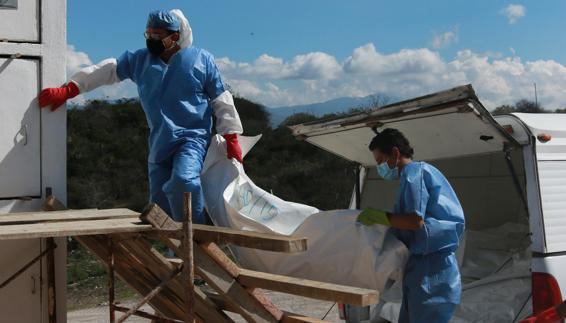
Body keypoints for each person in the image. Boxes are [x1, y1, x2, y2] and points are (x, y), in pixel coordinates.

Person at [37, 9, 243, 224]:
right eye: (148, 34)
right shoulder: (141, 61)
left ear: (174, 36)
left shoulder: (200, 60)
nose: (152, 39)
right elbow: (107, 70)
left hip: (191, 138)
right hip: (160, 139)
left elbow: (220, 97)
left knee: (184, 181)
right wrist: (71, 89)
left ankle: (195, 238)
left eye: (157, 35)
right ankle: (173, 251)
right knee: (159, 204)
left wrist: (231, 135)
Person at [357, 128, 465, 323]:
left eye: (381, 161)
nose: (380, 167)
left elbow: (415, 221)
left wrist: (381, 217)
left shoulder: (415, 174)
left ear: (395, 153)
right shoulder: (411, 178)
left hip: (433, 271)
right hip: (422, 266)